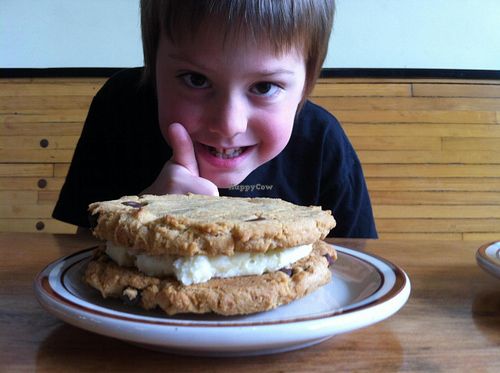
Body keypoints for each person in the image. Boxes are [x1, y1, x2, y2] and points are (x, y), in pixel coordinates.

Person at [53, 0, 377, 238]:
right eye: (195, 79)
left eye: (264, 87)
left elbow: (354, 264)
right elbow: (84, 248)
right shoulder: (118, 111)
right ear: (153, 68)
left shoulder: (323, 143)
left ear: (306, 86)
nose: (228, 124)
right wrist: (142, 217)